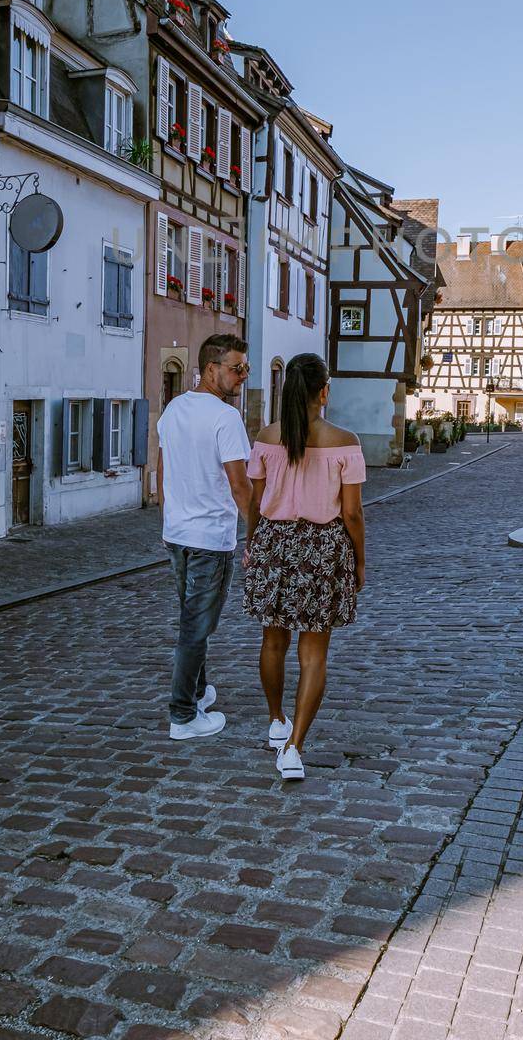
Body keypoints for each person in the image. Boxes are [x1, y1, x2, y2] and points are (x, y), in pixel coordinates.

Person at [243, 354, 366, 782]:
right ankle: (294, 747)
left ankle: (276, 720)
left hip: (274, 544)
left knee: (272, 641)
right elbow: (352, 515)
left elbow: (255, 506)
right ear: (324, 391)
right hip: (323, 548)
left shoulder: (266, 437)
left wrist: (252, 548)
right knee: (313, 653)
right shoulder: (345, 442)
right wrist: (359, 562)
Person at [158, 334, 252, 741]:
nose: (243, 376)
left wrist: (171, 516)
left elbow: (163, 471)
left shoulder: (173, 409)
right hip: (210, 539)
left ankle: (197, 690)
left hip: (178, 533)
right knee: (196, 628)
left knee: (193, 618)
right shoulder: (226, 418)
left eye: (245, 368)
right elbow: (240, 485)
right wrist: (260, 534)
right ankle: (183, 716)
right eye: (237, 368)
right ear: (211, 369)